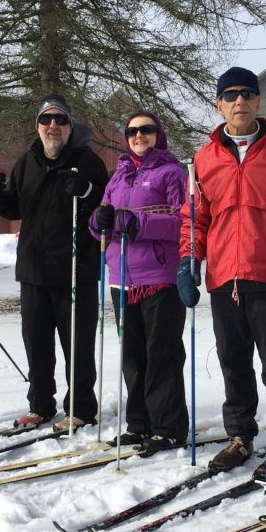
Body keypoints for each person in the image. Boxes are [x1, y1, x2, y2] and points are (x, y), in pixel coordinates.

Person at [178, 66, 266, 478]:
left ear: (258, 101)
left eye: (247, 94)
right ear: (219, 104)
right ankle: (240, 436)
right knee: (233, 361)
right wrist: (188, 261)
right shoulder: (203, 158)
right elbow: (195, 217)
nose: (239, 102)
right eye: (230, 95)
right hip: (223, 279)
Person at [0, 95, 108, 430]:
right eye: (46, 120)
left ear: (70, 125)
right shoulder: (28, 160)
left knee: (77, 346)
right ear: (38, 125)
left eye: (60, 120)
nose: (53, 126)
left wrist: (87, 191)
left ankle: (80, 408)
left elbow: (104, 205)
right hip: (33, 271)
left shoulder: (87, 161)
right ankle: (40, 406)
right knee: (36, 345)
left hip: (74, 270)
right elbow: (16, 207)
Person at [89, 111, 189, 455]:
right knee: (133, 356)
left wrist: (140, 223)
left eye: (146, 129)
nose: (138, 135)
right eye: (132, 131)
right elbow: (102, 220)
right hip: (122, 278)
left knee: (161, 353)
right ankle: (139, 424)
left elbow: (183, 222)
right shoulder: (117, 176)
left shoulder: (172, 172)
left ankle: (168, 427)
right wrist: (96, 220)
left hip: (159, 278)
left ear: (157, 134)